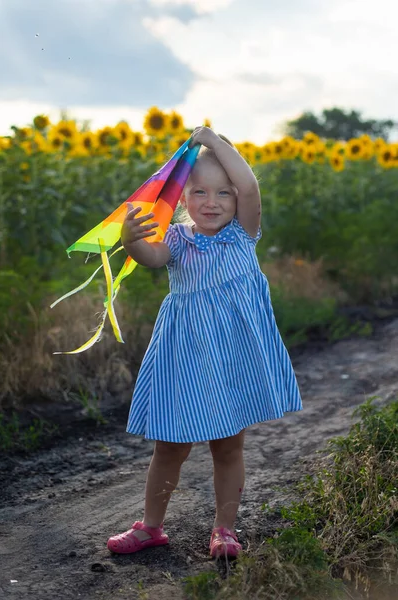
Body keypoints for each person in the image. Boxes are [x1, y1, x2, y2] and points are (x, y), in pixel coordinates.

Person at [107, 126, 303, 558]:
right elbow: (151, 257)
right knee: (170, 445)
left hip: (232, 358)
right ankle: (151, 526)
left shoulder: (241, 237)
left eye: (223, 194)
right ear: (181, 199)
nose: (211, 203)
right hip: (185, 358)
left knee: (228, 445)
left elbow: (250, 184)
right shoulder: (176, 240)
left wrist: (211, 141)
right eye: (198, 192)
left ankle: (224, 529)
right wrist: (130, 241)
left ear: (237, 201)